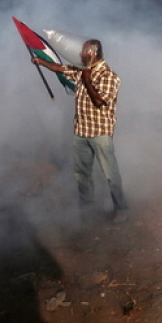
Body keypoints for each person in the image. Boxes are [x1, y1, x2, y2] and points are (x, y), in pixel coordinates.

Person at [32, 39, 129, 224]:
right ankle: (87, 209)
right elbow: (60, 69)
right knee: (82, 173)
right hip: (81, 131)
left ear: (92, 52)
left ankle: (121, 209)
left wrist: (87, 81)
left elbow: (100, 102)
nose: (80, 54)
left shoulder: (109, 76)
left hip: (100, 133)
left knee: (110, 174)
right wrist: (41, 62)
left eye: (83, 51)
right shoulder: (80, 69)